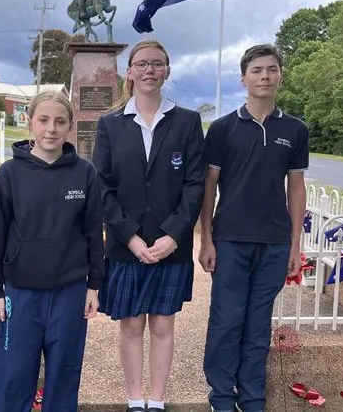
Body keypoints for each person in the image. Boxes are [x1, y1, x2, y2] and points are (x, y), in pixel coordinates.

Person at [92, 38, 206, 412]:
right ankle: (134, 398)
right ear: (130, 72)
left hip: (170, 247)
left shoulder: (187, 122)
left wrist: (174, 236)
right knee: (130, 325)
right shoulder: (110, 124)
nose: (149, 70)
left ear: (167, 71)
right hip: (126, 247)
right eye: (141, 64)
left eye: (157, 64)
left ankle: (156, 400)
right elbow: (103, 186)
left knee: (162, 324)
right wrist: (130, 237)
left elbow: (195, 185)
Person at [198, 44, 309, 412]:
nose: (265, 76)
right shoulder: (223, 128)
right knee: (227, 320)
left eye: (272, 69)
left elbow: (296, 186)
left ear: (280, 75)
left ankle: (252, 397)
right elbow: (209, 187)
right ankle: (221, 396)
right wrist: (206, 240)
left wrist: (295, 244)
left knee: (258, 324)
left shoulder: (294, 129)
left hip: (274, 242)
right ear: (243, 78)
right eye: (257, 70)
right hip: (230, 239)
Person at [0, 90, 105, 412]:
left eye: (60, 121)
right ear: (29, 122)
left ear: (69, 127)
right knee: (14, 376)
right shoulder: (9, 175)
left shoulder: (85, 173)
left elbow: (94, 232)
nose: (51, 129)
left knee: (64, 374)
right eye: (44, 120)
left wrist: (94, 285)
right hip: (21, 294)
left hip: (70, 291)